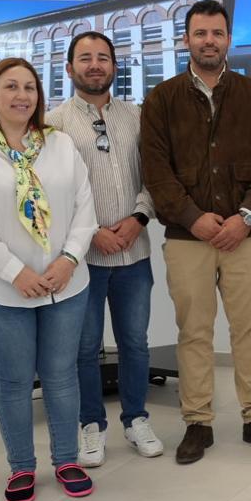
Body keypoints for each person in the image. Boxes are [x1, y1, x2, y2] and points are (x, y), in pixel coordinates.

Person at [141, 0, 251, 464]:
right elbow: (156, 172)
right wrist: (193, 217)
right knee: (194, 331)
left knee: (249, 329)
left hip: (246, 236)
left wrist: (246, 216)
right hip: (188, 239)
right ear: (186, 39)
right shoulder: (161, 99)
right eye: (200, 33)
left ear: (228, 39)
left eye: (217, 33)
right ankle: (197, 422)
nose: (209, 41)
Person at [0, 57, 98, 501]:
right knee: (13, 381)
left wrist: (69, 260)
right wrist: (16, 272)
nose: (21, 95)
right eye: (10, 86)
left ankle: (66, 460)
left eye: (29, 87)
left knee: (62, 376)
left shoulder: (60, 145)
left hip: (65, 285)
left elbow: (84, 206)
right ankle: (22, 468)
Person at [48, 31, 164, 467]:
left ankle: (136, 419)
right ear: (69, 68)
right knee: (85, 348)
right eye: (85, 58)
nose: (95, 65)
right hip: (84, 260)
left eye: (103, 57)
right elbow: (51, 193)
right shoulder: (54, 124)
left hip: (134, 253)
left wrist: (139, 218)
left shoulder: (138, 117)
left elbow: (156, 176)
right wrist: (92, 231)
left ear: (115, 66)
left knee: (135, 342)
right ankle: (91, 426)